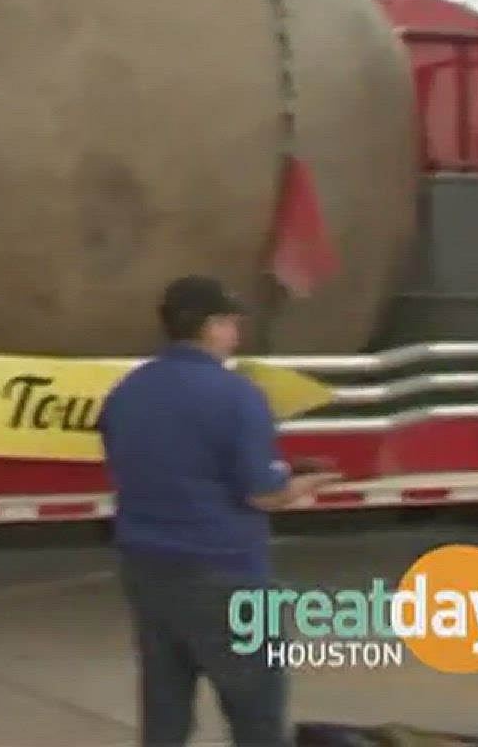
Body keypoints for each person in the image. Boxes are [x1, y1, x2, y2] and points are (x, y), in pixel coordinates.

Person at [98, 275, 342, 747]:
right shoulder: (236, 395)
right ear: (209, 327)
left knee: (164, 714)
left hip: (147, 572)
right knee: (258, 716)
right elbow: (262, 494)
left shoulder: (128, 391)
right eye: (230, 323)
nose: (235, 333)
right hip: (226, 572)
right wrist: (304, 483)